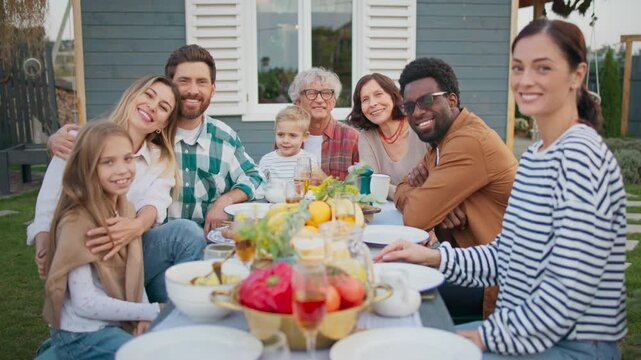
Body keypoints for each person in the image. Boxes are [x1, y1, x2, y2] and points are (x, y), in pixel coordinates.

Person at [375, 19, 627, 358]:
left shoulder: (581, 160)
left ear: (577, 75)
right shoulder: (538, 156)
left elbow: (564, 299)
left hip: (571, 345)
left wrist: (481, 339)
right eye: (518, 68)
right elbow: (507, 255)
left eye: (543, 67)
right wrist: (432, 256)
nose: (526, 80)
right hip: (519, 327)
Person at [33, 76, 205, 302]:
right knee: (159, 295)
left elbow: (154, 203)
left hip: (131, 249)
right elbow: (49, 199)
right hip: (85, 248)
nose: (152, 106)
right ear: (133, 95)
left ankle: (169, 313)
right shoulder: (78, 140)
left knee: (187, 233)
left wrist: (135, 226)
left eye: (163, 107)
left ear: (162, 124)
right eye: (148, 95)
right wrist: (43, 243)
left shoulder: (160, 159)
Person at [394, 57, 518, 318]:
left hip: (496, 281)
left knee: (396, 290)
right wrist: (434, 201)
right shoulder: (440, 143)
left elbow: (415, 217)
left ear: (451, 100)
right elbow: (404, 186)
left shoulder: (468, 141)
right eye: (409, 106)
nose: (417, 112)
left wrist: (432, 203)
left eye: (427, 100)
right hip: (464, 263)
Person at [42, 121, 161, 359]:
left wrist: (144, 314)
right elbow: (84, 303)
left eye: (127, 159)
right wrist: (153, 310)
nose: (123, 170)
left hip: (113, 320)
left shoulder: (124, 208)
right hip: (81, 332)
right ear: (86, 167)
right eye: (108, 162)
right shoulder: (77, 221)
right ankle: (60, 351)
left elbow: (133, 273)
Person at [163, 44, 263, 234]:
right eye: (184, 81)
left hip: (210, 245)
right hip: (160, 249)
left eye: (201, 82)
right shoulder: (153, 135)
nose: (193, 90)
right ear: (170, 85)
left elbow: (255, 177)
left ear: (213, 89)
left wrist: (225, 201)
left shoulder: (225, 137)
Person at [346, 73, 427, 199]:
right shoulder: (367, 138)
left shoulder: (420, 127)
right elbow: (370, 183)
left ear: (393, 96)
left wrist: (386, 188)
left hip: (429, 208)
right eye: (365, 99)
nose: (372, 103)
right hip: (389, 212)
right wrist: (410, 194)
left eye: (378, 94)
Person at [288, 67, 359, 182]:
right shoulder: (287, 136)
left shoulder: (352, 138)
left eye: (326, 93)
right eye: (311, 93)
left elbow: (360, 189)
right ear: (298, 102)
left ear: (333, 101)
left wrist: (326, 181)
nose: (320, 100)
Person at [259, 105, 318, 179]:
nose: (285, 140)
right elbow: (259, 188)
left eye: (292, 135)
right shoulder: (267, 161)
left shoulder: (310, 160)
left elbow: (315, 187)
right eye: (280, 134)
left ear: (305, 136)